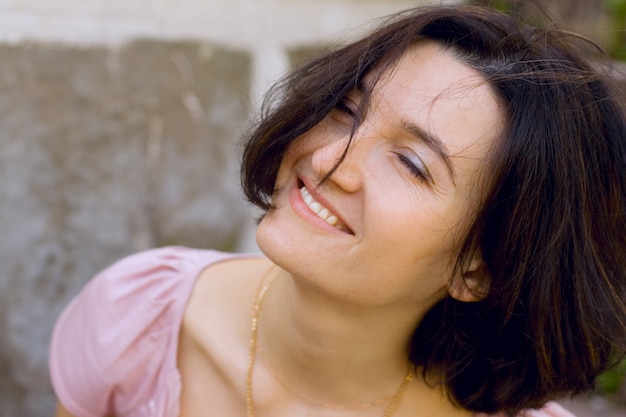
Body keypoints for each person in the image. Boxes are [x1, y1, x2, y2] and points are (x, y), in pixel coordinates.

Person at [50, 4, 626, 417]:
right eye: (347, 111)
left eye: (411, 163)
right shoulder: (138, 320)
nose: (328, 161)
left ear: (477, 266)